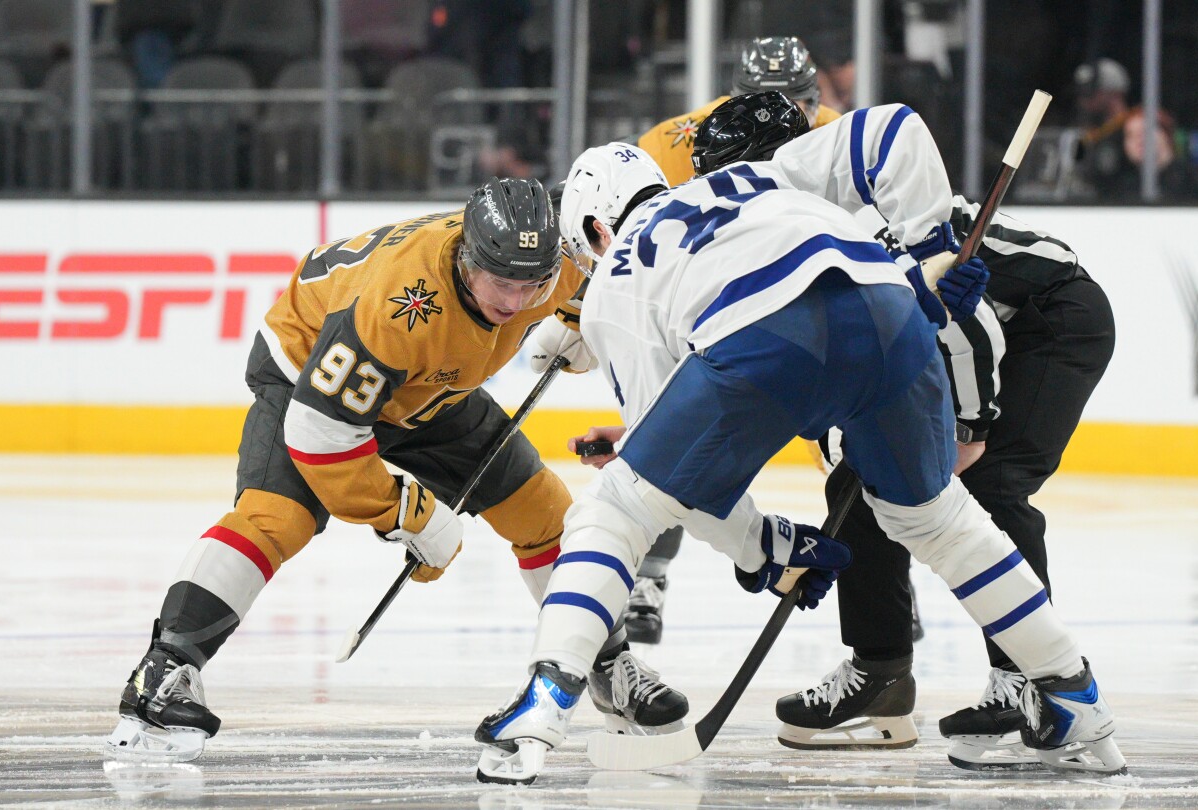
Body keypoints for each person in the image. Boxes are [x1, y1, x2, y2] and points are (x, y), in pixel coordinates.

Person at [474, 96, 1126, 784]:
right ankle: (1072, 693)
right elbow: (895, 127)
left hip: (763, 330)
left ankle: (545, 703)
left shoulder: (616, 281)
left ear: (598, 230)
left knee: (613, 513)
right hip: (889, 308)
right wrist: (930, 250)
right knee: (941, 523)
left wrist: (764, 547)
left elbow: (678, 493)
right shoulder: (761, 176)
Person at [103, 178, 686, 764]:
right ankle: (163, 673)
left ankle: (606, 665)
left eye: (532, 285)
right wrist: (404, 512)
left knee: (547, 514)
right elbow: (322, 433)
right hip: (308, 380)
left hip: (431, 389)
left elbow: (593, 269)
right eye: (502, 284)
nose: (514, 302)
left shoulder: (550, 255)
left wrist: (577, 314)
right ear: (468, 256)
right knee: (276, 518)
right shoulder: (396, 305)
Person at [691, 101, 1115, 764]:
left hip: (1049, 319)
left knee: (996, 485)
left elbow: (965, 326)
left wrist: (970, 426)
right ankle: (881, 672)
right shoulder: (785, 233)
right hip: (972, 339)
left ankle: (1031, 680)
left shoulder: (852, 222)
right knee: (857, 486)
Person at [626, 40, 925, 646]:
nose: (791, 115)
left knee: (850, 452)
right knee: (662, 440)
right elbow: (633, 245)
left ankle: (886, 582)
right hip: (704, 314)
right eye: (774, 102)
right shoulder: (672, 143)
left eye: (802, 101)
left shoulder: (834, 134)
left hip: (806, 309)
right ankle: (647, 579)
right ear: (739, 98)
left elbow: (870, 231)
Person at [636, 35, 844, 188]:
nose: (772, 124)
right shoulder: (677, 140)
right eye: (761, 109)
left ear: (813, 104)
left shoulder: (835, 132)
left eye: (788, 108)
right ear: (735, 102)